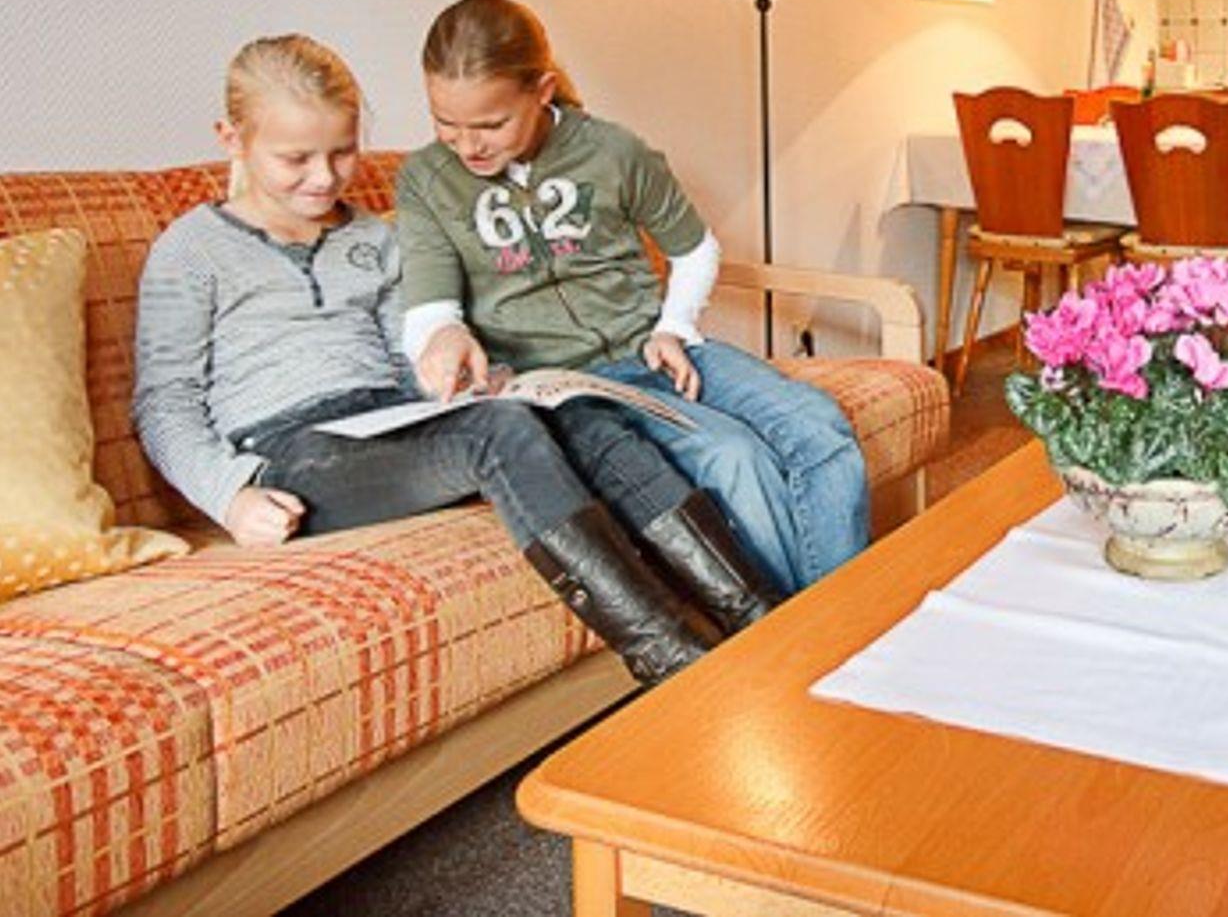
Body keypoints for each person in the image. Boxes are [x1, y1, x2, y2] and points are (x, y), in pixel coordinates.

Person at [133, 35, 775, 686]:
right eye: (296, 159)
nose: (324, 177)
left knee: (578, 414)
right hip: (289, 452)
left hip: (387, 423)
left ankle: (759, 618)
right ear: (232, 139)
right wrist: (230, 497)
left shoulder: (373, 236)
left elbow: (406, 357)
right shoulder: (191, 251)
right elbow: (163, 403)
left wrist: (472, 380)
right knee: (497, 434)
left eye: (342, 152)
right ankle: (673, 660)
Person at [397, 0, 868, 593]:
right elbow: (431, 308)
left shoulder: (614, 151)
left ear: (542, 91)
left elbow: (694, 249)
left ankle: (843, 616)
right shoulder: (427, 180)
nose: (468, 146)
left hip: (651, 348)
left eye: (490, 125)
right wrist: (443, 337)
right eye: (446, 123)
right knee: (733, 455)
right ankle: (799, 633)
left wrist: (673, 326)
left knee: (818, 427)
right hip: (562, 387)